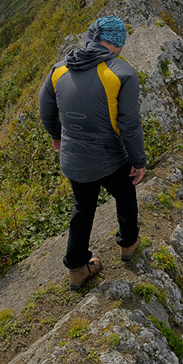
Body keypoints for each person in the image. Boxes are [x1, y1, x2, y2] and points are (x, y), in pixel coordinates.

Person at [39, 16, 147, 290]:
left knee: (82, 208)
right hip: (110, 157)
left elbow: (45, 108)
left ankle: (77, 268)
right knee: (125, 195)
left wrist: (56, 136)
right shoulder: (122, 73)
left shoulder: (59, 69)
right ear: (117, 43)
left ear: (92, 37)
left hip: (74, 158)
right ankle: (128, 243)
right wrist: (138, 161)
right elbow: (130, 124)